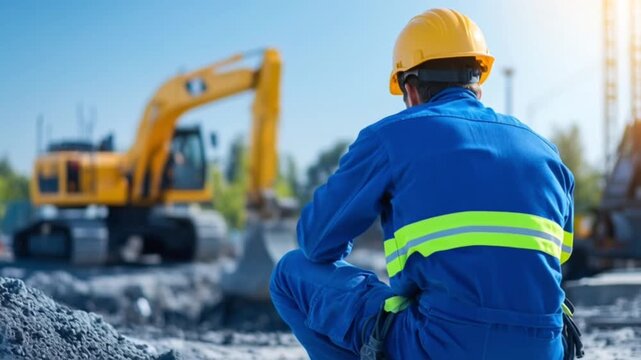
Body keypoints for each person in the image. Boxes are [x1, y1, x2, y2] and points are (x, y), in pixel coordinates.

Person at [270, 8, 579, 359]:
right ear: (477, 83)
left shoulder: (392, 136)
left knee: (290, 272)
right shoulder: (547, 152)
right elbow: (555, 257)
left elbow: (316, 242)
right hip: (544, 349)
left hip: (437, 345)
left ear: (411, 89)